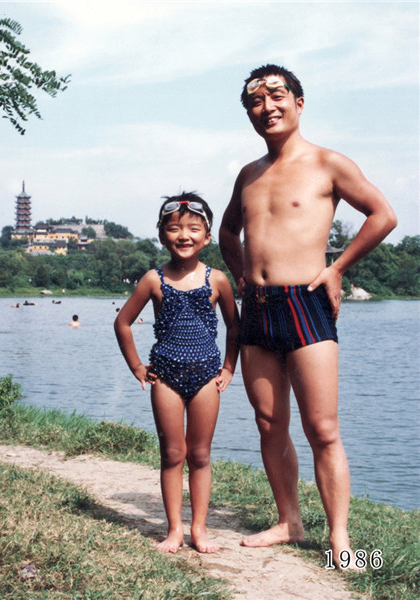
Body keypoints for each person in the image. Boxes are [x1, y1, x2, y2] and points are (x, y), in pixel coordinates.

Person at [219, 64, 397, 568]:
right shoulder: (248, 174)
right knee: (269, 422)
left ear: (299, 103)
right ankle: (289, 521)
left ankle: (339, 537)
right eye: (256, 101)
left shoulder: (327, 163)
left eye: (277, 95)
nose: (267, 106)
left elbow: (383, 214)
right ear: (250, 113)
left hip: (307, 302)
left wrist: (338, 267)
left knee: (322, 427)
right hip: (257, 306)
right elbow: (228, 232)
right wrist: (240, 277)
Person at [115, 192, 239, 554]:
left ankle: (200, 529)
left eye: (193, 229)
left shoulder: (218, 280)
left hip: (206, 377)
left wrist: (230, 367)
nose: (184, 235)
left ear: (207, 236)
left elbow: (235, 327)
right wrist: (137, 366)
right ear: (161, 234)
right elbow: (122, 323)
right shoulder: (153, 280)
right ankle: (175, 530)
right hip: (165, 376)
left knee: (200, 455)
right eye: (174, 229)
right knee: (172, 454)